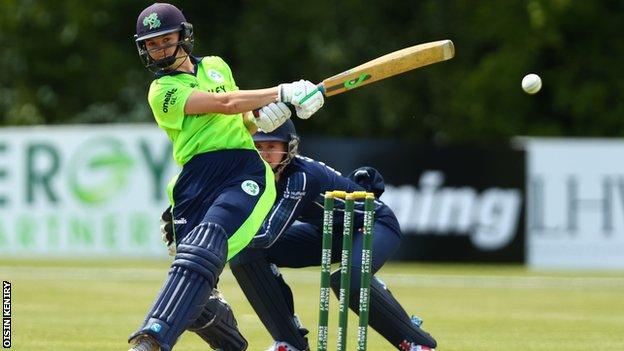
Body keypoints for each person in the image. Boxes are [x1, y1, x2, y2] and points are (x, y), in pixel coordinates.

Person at [128, 3, 324, 351]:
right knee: (195, 284)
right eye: (152, 44)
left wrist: (263, 119)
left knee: (208, 238)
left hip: (240, 168)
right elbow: (227, 104)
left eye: (165, 39)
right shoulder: (162, 91)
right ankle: (230, 342)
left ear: (183, 37)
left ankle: (152, 339)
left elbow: (239, 119)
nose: (158, 49)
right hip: (195, 179)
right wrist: (282, 93)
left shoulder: (216, 66)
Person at [163, 120, 438, 350]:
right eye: (258, 147)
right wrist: (189, 224)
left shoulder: (301, 177)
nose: (265, 154)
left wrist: (209, 246)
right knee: (247, 254)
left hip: (372, 224)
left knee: (347, 280)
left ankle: (415, 342)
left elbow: (269, 233)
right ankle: (290, 342)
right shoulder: (254, 176)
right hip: (327, 232)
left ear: (289, 147)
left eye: (272, 146)